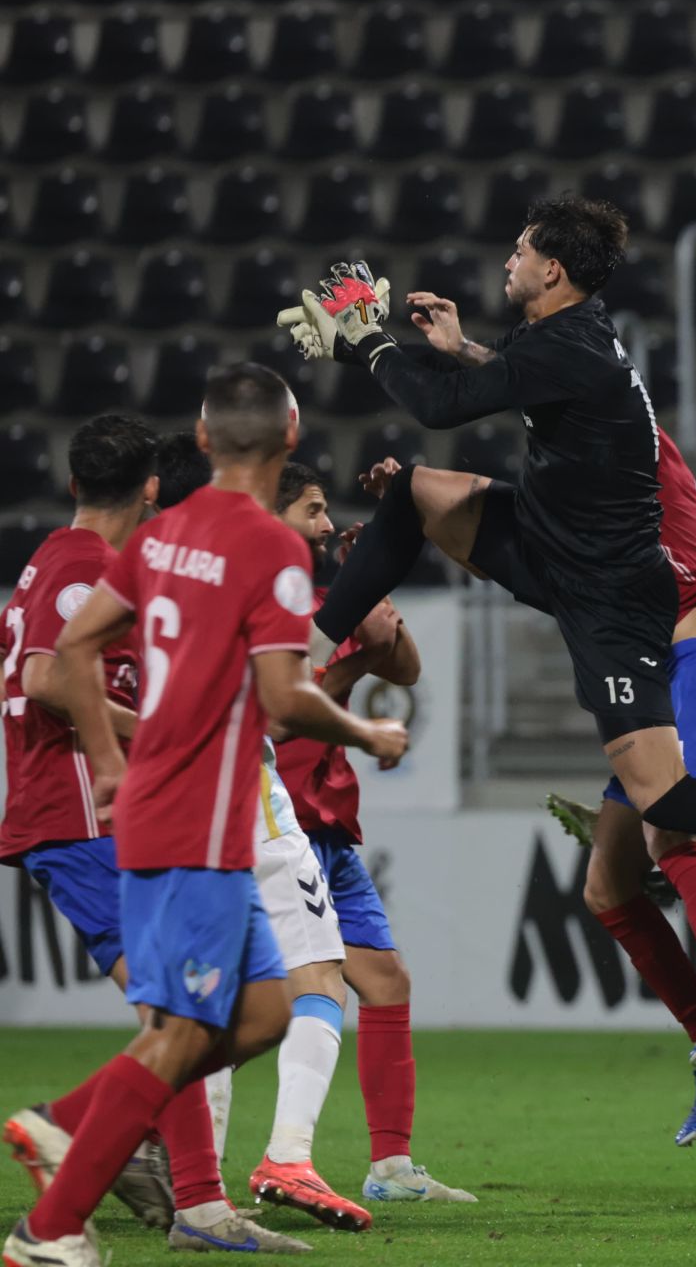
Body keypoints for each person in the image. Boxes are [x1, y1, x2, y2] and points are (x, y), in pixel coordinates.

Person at [276, 197, 696, 1069]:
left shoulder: (570, 345)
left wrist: (369, 340)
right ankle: (311, 654)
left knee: (670, 802)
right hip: (553, 544)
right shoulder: (574, 340)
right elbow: (495, 381)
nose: (508, 260)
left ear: (553, 272)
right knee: (414, 494)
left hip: (612, 593)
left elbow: (438, 404)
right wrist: (445, 345)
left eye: (520, 250)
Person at [3, 363, 407, 1267]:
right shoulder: (274, 551)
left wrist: (110, 762)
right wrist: (365, 729)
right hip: (193, 820)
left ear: (198, 442)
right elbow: (285, 697)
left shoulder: (159, 539)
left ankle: (65, 1127)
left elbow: (72, 649)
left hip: (172, 817)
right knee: (188, 1030)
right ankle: (49, 1228)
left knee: (263, 1014)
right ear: (293, 440)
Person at [542, 424, 696, 1146]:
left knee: (670, 828)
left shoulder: (646, 458)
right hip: (653, 691)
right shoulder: (588, 523)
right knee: (607, 888)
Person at [268, 463, 474, 1205]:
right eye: (313, 510)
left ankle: (390, 1168)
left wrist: (377, 603)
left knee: (385, 982)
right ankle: (187, 1144)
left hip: (327, 823)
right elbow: (282, 710)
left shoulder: (327, 600)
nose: (327, 525)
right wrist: (356, 656)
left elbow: (408, 669)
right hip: (276, 820)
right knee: (252, 1002)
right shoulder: (269, 607)